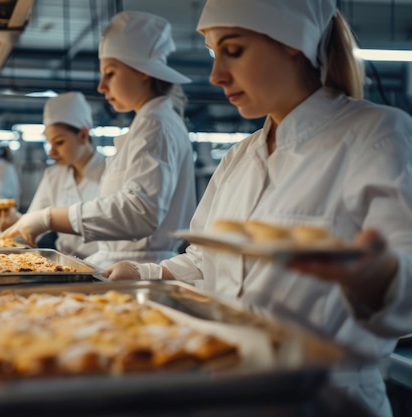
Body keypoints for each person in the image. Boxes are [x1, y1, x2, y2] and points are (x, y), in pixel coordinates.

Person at [105, 1, 412, 415]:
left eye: (233, 50)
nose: (216, 76)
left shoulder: (376, 135)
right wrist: (143, 273)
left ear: (292, 43)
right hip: (229, 389)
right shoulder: (240, 157)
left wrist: (380, 278)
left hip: (327, 402)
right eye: (215, 54)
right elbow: (204, 261)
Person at [1, 11, 196, 269]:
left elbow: (138, 212)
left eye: (110, 73)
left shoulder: (156, 123)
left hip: (138, 270)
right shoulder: (149, 122)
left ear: (143, 72)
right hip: (118, 265)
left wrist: (49, 217)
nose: (101, 87)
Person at [0, 92, 106, 259]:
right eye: (49, 143)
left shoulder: (112, 171)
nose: (51, 151)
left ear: (83, 135)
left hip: (106, 267)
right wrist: (15, 219)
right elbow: (35, 222)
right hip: (64, 263)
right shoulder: (53, 175)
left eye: (59, 142)